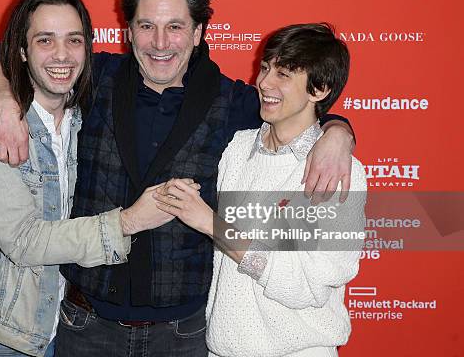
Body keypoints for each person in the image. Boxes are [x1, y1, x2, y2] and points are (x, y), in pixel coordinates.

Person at [0, 0, 356, 356]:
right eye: (146, 26)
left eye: (175, 27)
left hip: (183, 336)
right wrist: (5, 101)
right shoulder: (94, 77)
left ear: (197, 33)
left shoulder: (232, 102)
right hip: (85, 325)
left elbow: (295, 109)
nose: (160, 43)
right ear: (128, 32)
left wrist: (337, 131)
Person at [0, 0, 181, 357]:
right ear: (22, 51)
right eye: (45, 40)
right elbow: (23, 242)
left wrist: (319, 132)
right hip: (12, 339)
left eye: (74, 41)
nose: (62, 55)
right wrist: (127, 222)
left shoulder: (87, 114)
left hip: (78, 328)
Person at [154, 23, 367, 357]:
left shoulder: (339, 173)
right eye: (266, 68)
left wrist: (213, 225)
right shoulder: (237, 148)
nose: (264, 82)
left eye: (283, 74)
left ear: (320, 88)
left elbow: (306, 287)